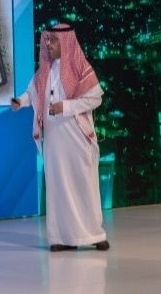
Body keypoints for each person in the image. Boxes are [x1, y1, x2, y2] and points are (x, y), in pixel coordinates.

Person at [12, 23, 109, 251]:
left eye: (54, 40)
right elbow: (32, 93)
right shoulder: (44, 71)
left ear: (66, 43)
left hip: (76, 136)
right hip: (54, 141)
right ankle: (62, 238)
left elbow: (95, 98)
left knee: (83, 184)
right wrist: (20, 102)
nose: (49, 44)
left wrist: (65, 107)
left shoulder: (81, 68)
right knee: (58, 187)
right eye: (48, 40)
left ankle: (94, 234)